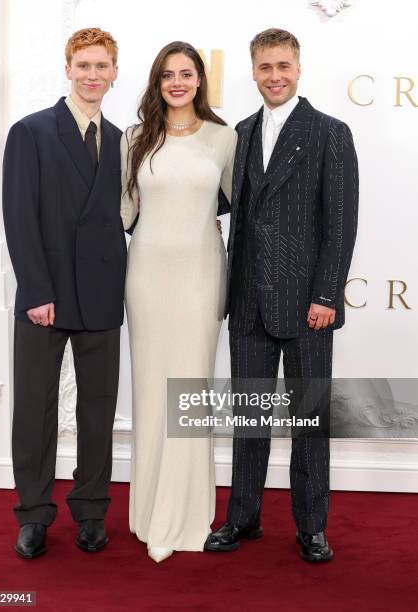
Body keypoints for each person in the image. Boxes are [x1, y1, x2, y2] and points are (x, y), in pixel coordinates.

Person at [204, 28, 359, 562]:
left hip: (307, 306)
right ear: (253, 71)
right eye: (266, 66)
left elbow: (340, 226)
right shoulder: (240, 133)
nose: (275, 75)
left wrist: (326, 295)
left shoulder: (329, 132)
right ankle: (242, 518)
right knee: (249, 420)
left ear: (298, 68)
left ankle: (311, 526)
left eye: (284, 66)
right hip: (247, 301)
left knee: (309, 422)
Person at [2, 27, 124, 559]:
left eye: (102, 66)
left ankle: (92, 509)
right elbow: (18, 216)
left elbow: (132, 212)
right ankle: (33, 514)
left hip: (100, 293)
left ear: (115, 72)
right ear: (67, 69)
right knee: (34, 409)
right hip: (44, 296)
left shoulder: (123, 139)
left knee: (98, 409)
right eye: (83, 65)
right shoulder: (30, 132)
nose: (92, 74)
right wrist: (34, 289)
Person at [120, 41, 237, 562]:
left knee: (189, 393)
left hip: (200, 276)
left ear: (199, 81)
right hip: (146, 277)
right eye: (167, 74)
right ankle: (148, 512)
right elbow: (123, 213)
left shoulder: (224, 138)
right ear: (156, 81)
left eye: (186, 74)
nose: (177, 82)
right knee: (151, 390)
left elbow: (237, 203)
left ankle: (184, 516)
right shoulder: (135, 138)